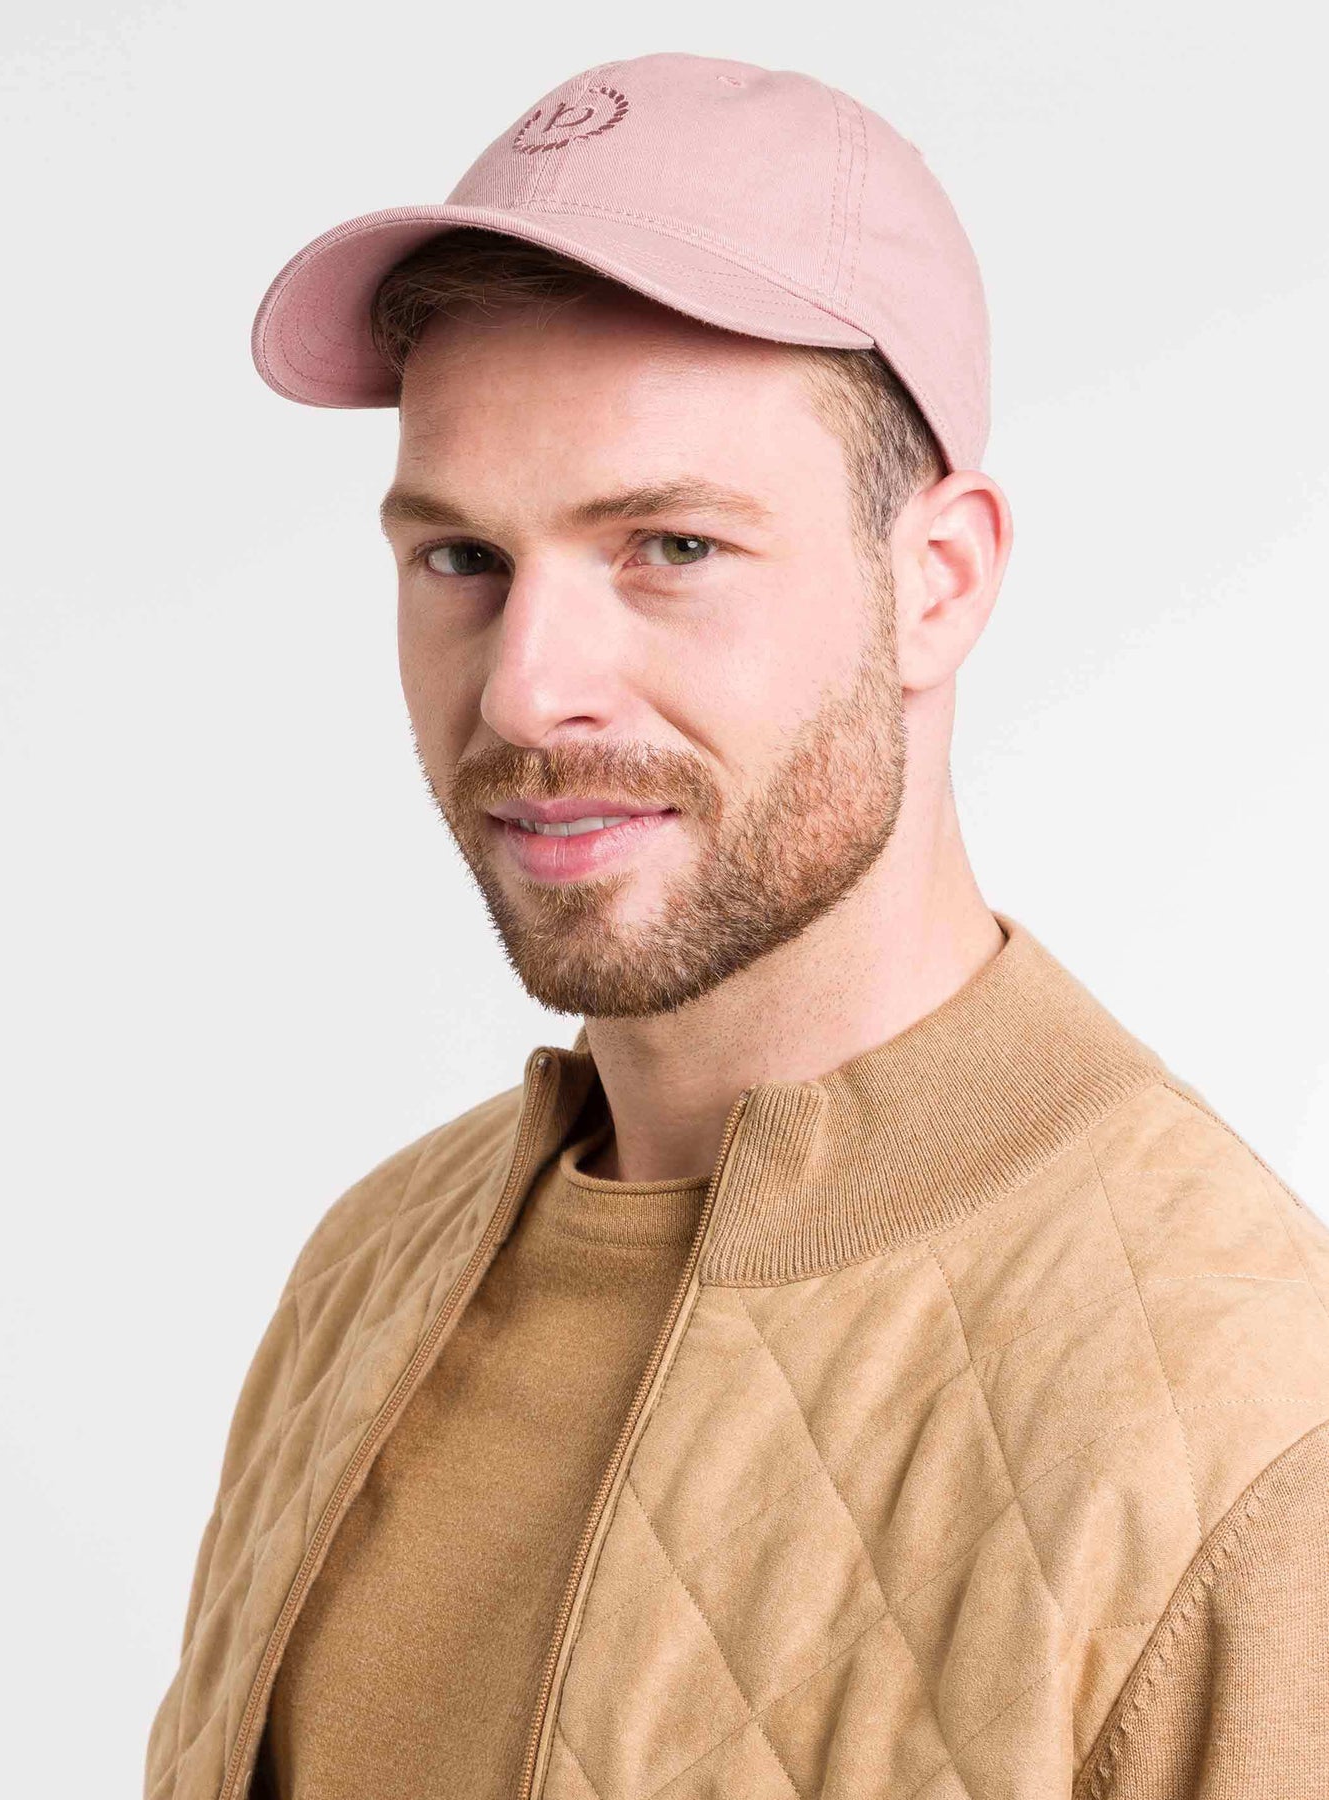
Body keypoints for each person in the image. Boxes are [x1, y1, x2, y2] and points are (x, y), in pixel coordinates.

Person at [145, 52, 1329, 1800]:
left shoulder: (1252, 1429)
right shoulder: (368, 1275)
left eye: (670, 547)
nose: (527, 691)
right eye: (461, 559)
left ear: (938, 583)